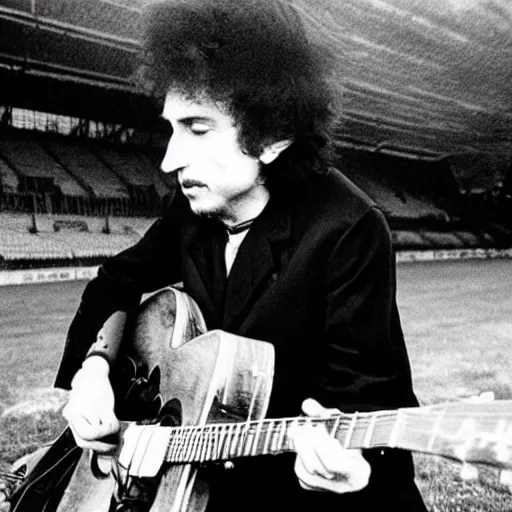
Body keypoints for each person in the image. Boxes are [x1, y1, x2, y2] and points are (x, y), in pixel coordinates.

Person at [54, 0, 428, 510]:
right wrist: (94, 371)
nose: (169, 160)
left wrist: (351, 466)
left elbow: (368, 404)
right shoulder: (193, 209)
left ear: (272, 137)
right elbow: (115, 281)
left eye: (198, 128)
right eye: (171, 127)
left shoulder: (349, 229)